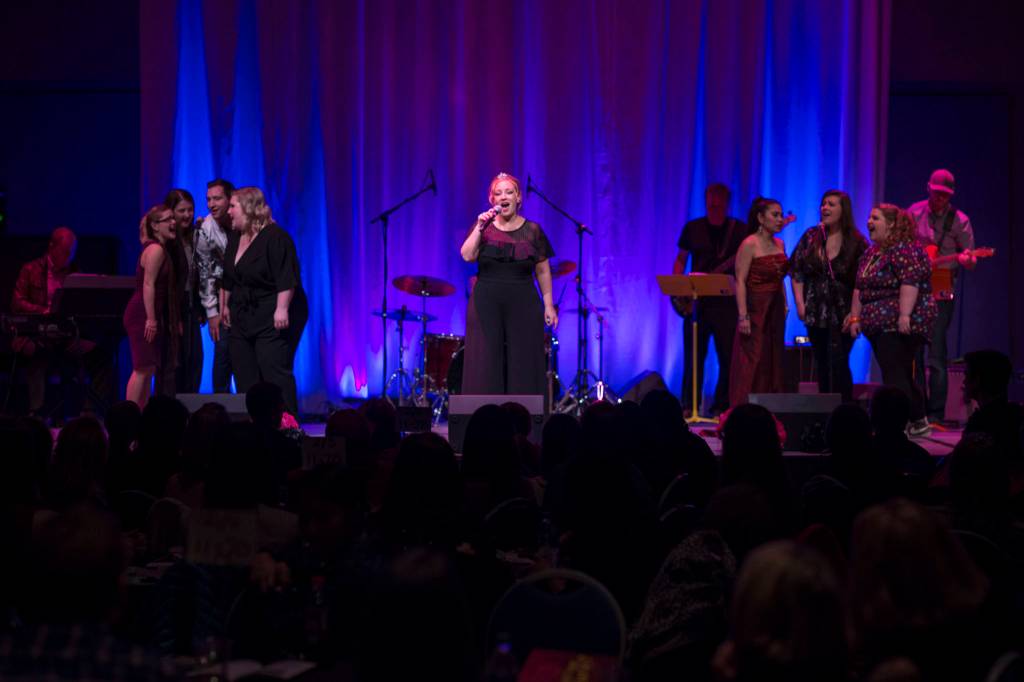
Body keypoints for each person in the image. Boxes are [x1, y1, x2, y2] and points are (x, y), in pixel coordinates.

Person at [460, 172, 557, 396]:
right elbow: (466, 256)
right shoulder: (483, 227)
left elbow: (542, 269)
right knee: (485, 361)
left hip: (523, 299)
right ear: (492, 200)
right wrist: (479, 227)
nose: (503, 196)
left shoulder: (533, 230)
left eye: (509, 192)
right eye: (498, 193)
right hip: (486, 300)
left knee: (524, 361)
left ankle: (524, 423)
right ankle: (484, 421)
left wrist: (549, 304)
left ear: (518, 198)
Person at [847, 204, 937, 436]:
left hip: (898, 322)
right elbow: (859, 288)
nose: (869, 222)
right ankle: (918, 420)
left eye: (875, 218)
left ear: (892, 224)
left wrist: (904, 315)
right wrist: (855, 316)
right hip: (879, 324)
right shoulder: (871, 253)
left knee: (895, 373)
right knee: (900, 372)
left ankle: (900, 423)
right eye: (868, 217)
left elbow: (910, 282)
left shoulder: (903, 249)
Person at [10, 226, 115, 418]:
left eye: (72, 253)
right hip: (39, 336)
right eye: (66, 252)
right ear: (52, 247)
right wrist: (45, 311)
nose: (69, 257)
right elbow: (17, 303)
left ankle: (89, 413)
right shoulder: (31, 269)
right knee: (35, 356)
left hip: (66, 337)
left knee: (102, 357)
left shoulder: (75, 273)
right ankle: (37, 414)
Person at [222, 186, 307, 416]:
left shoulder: (275, 237)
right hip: (243, 315)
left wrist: (281, 309)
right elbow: (229, 277)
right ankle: (253, 428)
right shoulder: (235, 237)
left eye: (232, 206)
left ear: (248, 209)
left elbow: (286, 277)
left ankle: (288, 428)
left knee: (274, 371)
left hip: (271, 312)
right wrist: (225, 306)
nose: (228, 212)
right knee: (244, 374)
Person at [673, 183, 749, 415]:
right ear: (705, 200)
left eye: (719, 199)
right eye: (711, 198)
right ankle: (689, 405)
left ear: (727, 201)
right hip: (697, 302)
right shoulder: (693, 228)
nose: (714, 203)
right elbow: (681, 259)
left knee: (727, 357)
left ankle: (721, 406)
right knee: (693, 356)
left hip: (726, 304)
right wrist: (678, 289)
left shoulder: (739, 230)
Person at [907, 169, 977, 422]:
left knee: (936, 352)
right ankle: (916, 411)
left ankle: (936, 414)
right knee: (912, 352)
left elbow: (970, 259)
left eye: (945, 196)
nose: (940, 199)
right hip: (913, 289)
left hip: (942, 287)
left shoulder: (960, 220)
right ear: (928, 188)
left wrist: (967, 259)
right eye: (937, 194)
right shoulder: (914, 213)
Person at [790, 189, 868, 402]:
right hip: (815, 312)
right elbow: (796, 272)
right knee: (822, 363)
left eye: (831, 204)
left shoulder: (857, 242)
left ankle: (845, 411)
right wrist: (799, 304)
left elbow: (862, 281)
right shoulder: (810, 237)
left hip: (843, 313)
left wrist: (854, 314)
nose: (825, 208)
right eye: (823, 204)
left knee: (839, 362)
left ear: (844, 210)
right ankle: (826, 412)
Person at [729, 197, 789, 406]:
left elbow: (780, 276)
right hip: (756, 309)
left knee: (774, 358)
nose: (780, 219)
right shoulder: (749, 244)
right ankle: (745, 409)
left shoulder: (780, 243)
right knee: (754, 359)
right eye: (775, 215)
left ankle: (771, 409)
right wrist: (743, 315)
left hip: (775, 308)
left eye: (781, 215)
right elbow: (740, 281)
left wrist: (786, 301)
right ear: (760, 218)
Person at [124, 205, 180, 409]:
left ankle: (140, 416)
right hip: (142, 313)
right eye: (168, 220)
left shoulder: (155, 247)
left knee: (147, 369)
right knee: (142, 369)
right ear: (156, 226)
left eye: (173, 219)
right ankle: (128, 418)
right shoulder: (155, 249)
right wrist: (151, 319)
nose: (173, 223)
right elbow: (148, 284)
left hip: (146, 312)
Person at [195, 178, 235, 393]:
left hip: (247, 296)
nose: (211, 204)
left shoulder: (242, 220)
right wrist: (212, 312)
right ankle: (222, 406)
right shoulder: (206, 229)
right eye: (209, 199)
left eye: (217, 198)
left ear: (230, 199)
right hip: (222, 296)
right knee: (223, 351)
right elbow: (206, 274)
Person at [165, 188, 204, 394]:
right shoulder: (169, 241)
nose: (187, 215)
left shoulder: (193, 237)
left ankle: (191, 410)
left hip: (191, 306)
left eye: (190, 210)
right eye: (182, 210)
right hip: (175, 308)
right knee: (177, 362)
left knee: (195, 359)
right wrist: (175, 316)